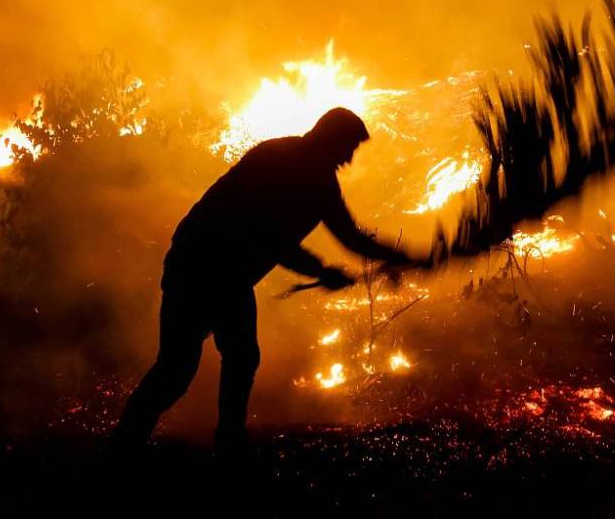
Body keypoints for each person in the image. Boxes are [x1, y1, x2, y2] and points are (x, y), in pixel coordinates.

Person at [113, 107, 421, 452]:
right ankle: (136, 447)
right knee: (184, 368)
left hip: (221, 272)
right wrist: (320, 270)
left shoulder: (314, 177)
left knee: (225, 359)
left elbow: (349, 236)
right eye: (348, 147)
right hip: (203, 265)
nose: (349, 159)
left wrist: (399, 256)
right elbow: (268, 235)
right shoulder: (283, 162)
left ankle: (208, 442)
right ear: (331, 139)